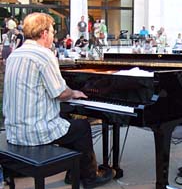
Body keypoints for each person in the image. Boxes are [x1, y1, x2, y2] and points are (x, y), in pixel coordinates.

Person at [3, 12, 113, 188]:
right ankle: (89, 177)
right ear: (44, 33)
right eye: (53, 32)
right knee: (82, 127)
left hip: (14, 130)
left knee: (66, 120)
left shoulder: (14, 55)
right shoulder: (44, 55)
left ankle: (74, 170)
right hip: (34, 133)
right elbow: (60, 93)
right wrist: (74, 92)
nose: (54, 36)